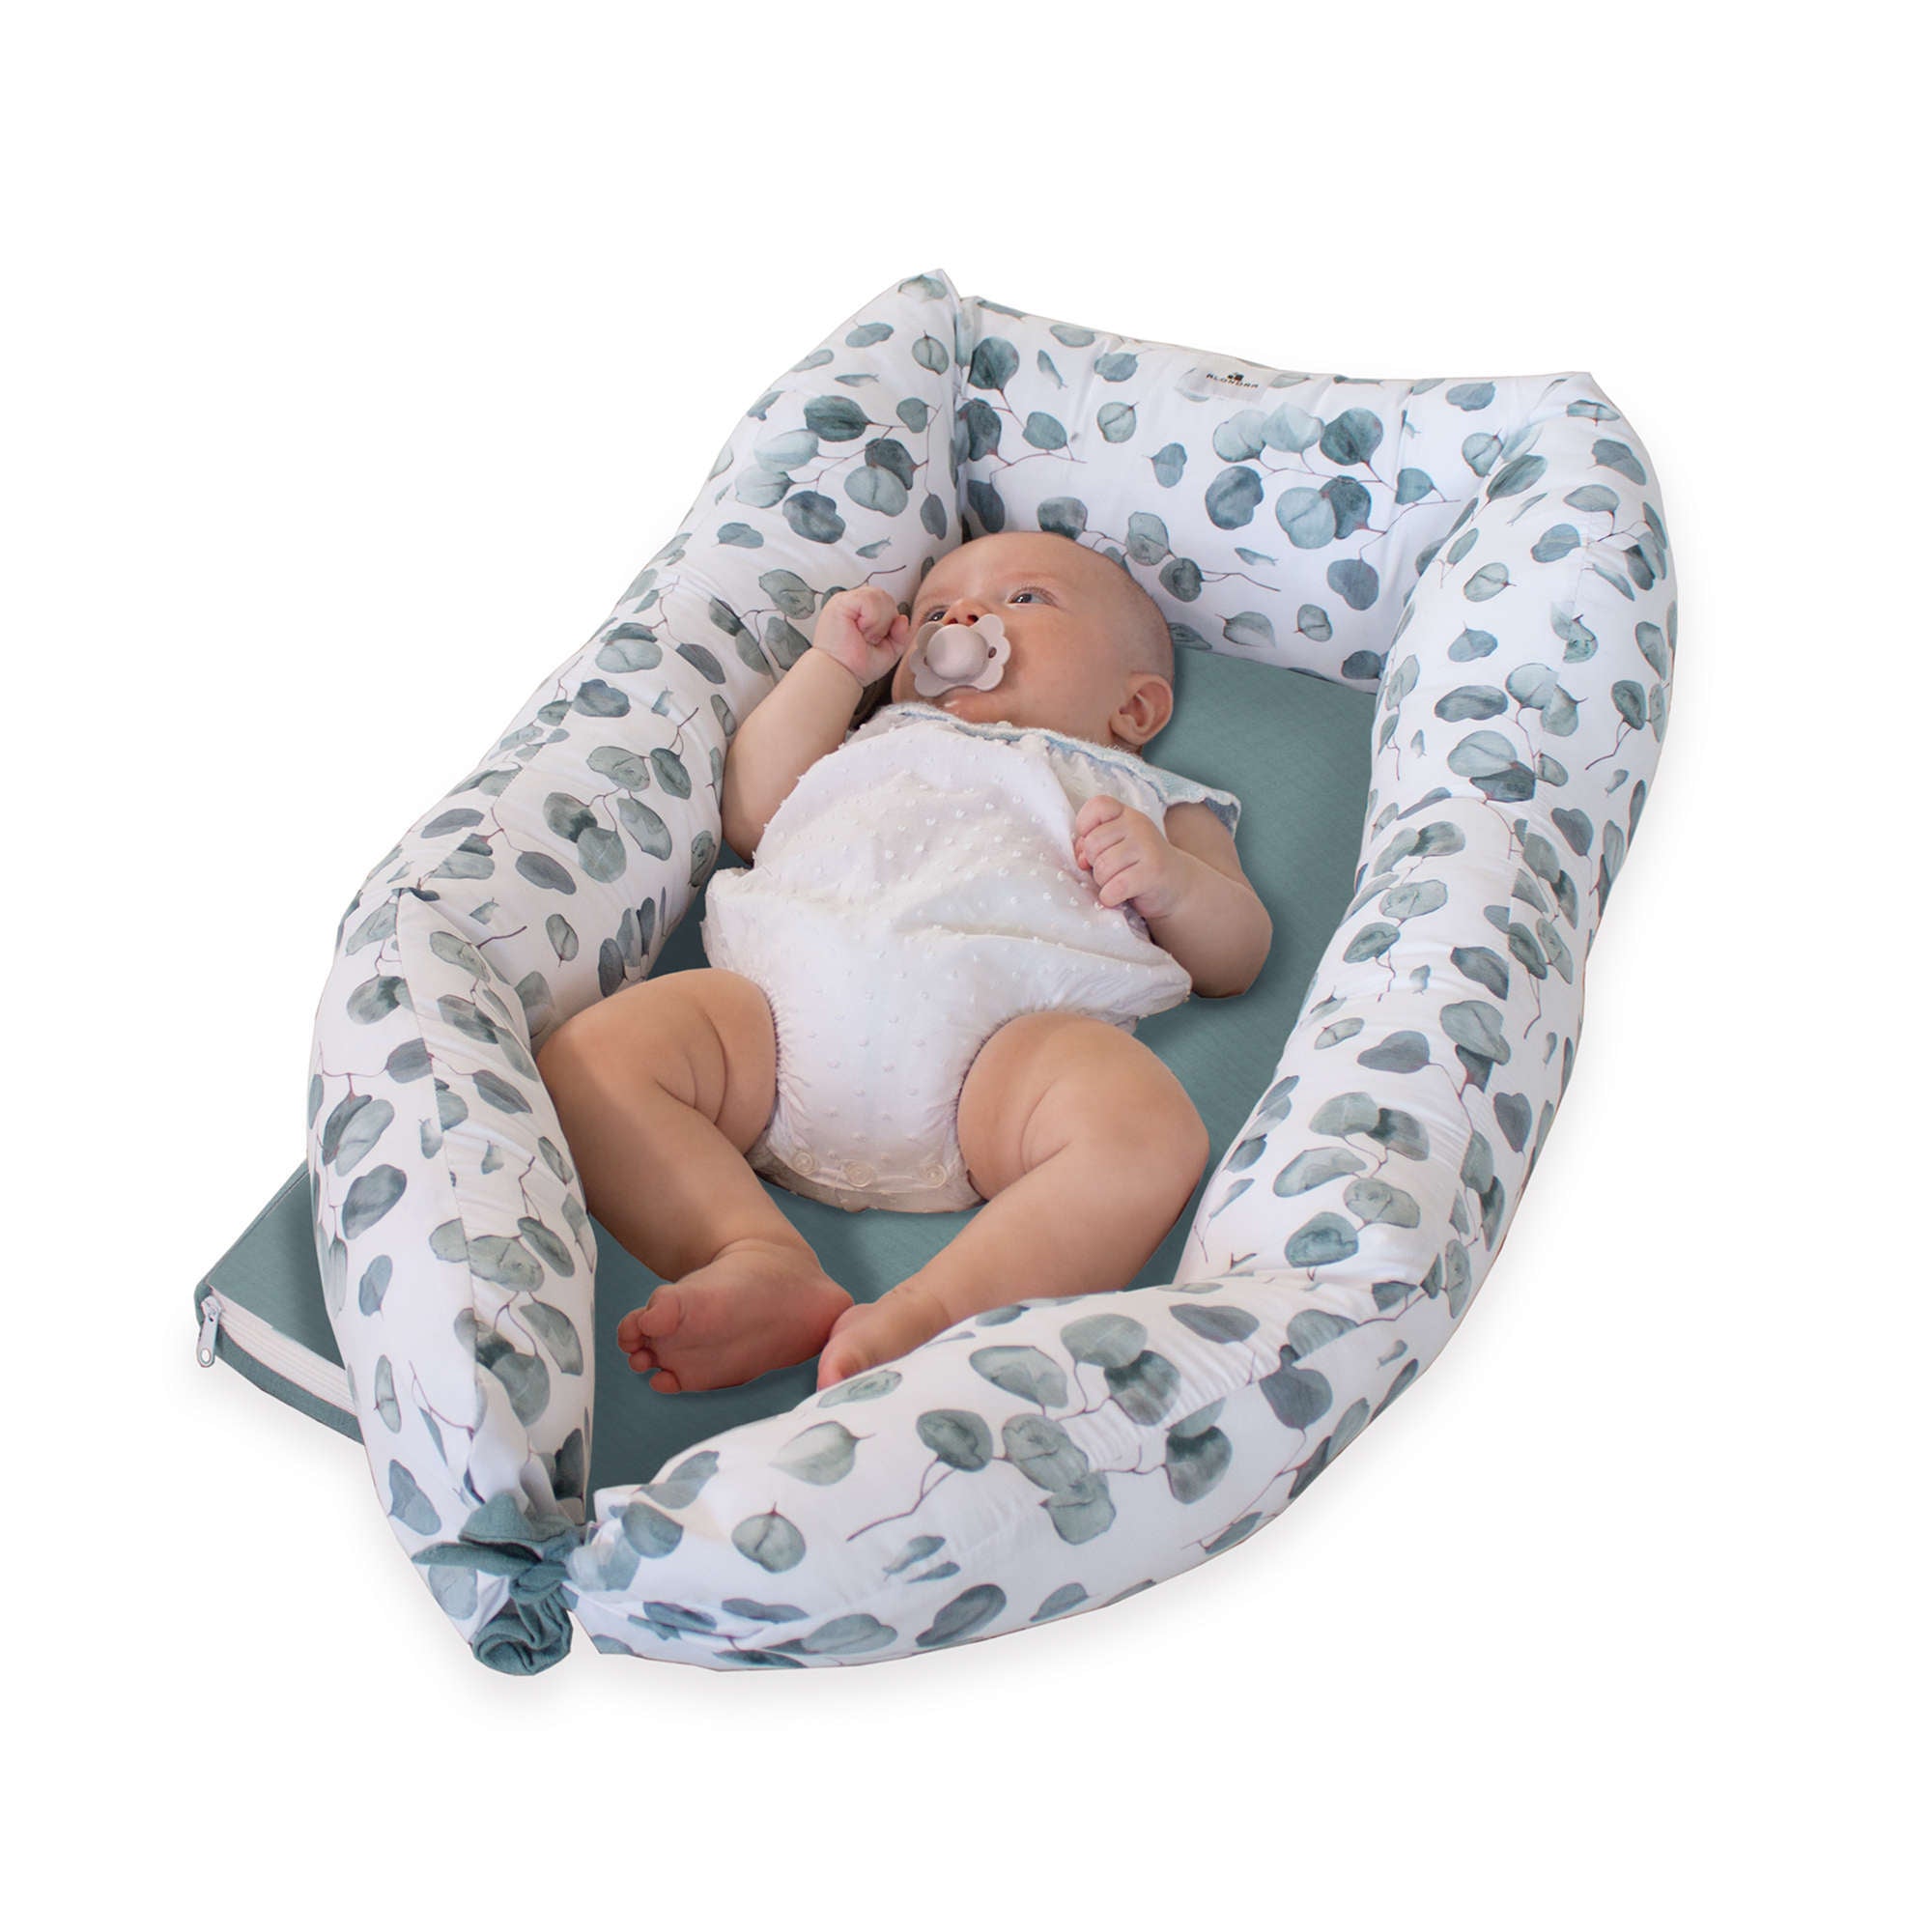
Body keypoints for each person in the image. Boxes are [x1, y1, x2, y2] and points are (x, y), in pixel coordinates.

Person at [535, 530, 1273, 1395]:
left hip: (1001, 1062)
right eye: (936, 610)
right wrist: (834, 669)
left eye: (1024, 598)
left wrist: (1172, 881)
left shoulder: (1150, 800)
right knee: (588, 1060)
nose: (962, 618)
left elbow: (1237, 956)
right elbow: (750, 812)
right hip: (767, 1024)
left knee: (1148, 1132)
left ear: (1135, 709)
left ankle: (934, 1313)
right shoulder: (868, 736)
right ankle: (753, 1254)